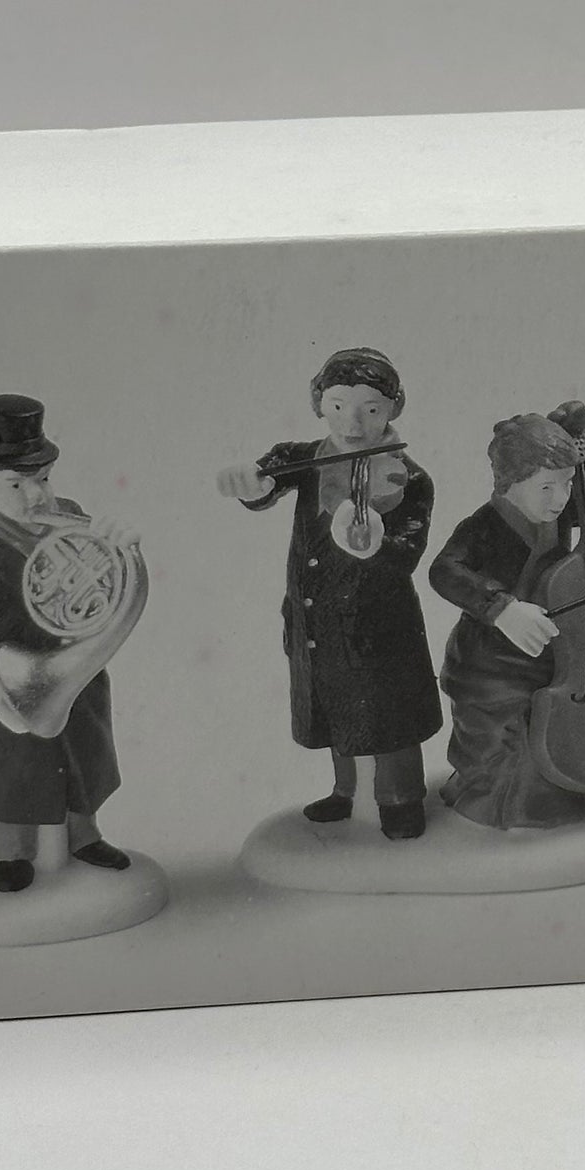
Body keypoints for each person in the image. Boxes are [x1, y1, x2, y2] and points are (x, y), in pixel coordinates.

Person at [218, 347, 442, 839]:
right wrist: (253, 485)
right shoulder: (307, 458)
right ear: (319, 404)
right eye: (339, 406)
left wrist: (376, 544)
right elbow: (270, 476)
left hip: (378, 619)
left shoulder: (410, 478)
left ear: (394, 408)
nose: (353, 424)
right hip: (317, 610)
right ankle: (347, 789)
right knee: (335, 700)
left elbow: (406, 553)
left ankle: (401, 798)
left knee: (388, 710)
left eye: (371, 409)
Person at [0, 395, 134, 893]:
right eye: (17, 484)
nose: (36, 495)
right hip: (0, 678)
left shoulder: (70, 518)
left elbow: (105, 585)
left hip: (73, 669)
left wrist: (121, 551)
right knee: (8, 769)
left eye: (44, 479)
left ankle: (84, 835)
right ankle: (10, 851)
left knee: (82, 758)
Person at [427, 406, 585, 829]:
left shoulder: (562, 506)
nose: (561, 498)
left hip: (559, 656)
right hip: (494, 667)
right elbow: (443, 571)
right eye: (546, 487)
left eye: (567, 484)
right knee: (524, 764)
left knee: (580, 731)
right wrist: (501, 608)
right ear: (509, 483)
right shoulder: (483, 526)